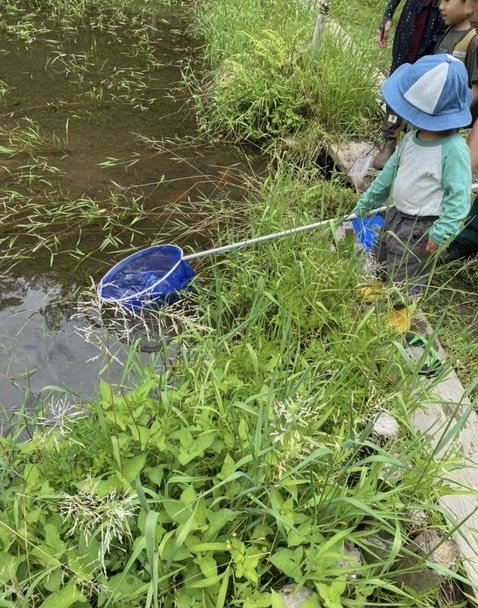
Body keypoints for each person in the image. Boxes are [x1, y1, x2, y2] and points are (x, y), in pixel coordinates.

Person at [353, 54, 472, 333]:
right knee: (382, 254)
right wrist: (367, 202)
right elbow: (388, 175)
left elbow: (459, 198)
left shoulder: (453, 150)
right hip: (395, 214)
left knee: (406, 273)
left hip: (422, 227)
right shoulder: (410, 139)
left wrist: (441, 233)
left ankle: (397, 319)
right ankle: (377, 288)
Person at [373, 0, 447, 170]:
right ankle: (389, 140)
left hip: (440, 20)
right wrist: (387, 16)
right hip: (413, 16)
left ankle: (415, 143)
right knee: (399, 73)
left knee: (427, 79)